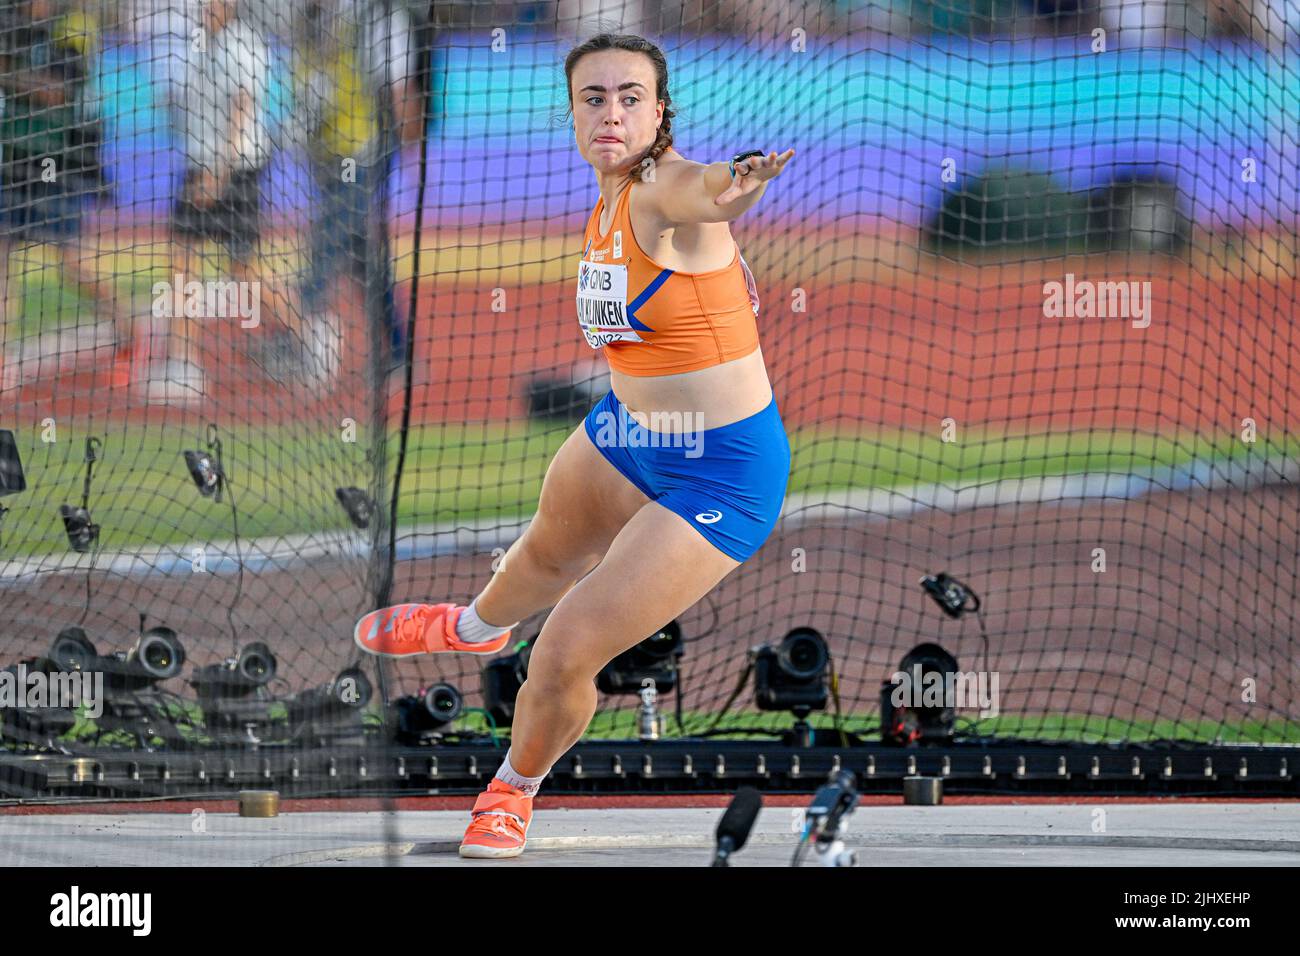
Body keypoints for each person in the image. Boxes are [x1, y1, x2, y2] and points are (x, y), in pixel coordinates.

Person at [353, 32, 795, 860]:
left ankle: (512, 789)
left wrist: (736, 184)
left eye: (632, 96)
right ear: (572, 111)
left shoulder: (663, 188)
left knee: (563, 649)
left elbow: (704, 193)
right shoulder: (607, 200)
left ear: (660, 112)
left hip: (723, 467)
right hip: (628, 432)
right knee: (542, 555)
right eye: (594, 97)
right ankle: (479, 626)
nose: (612, 112)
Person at [0, 0, 127, 385]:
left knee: (72, 264)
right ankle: (3, 358)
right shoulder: (11, 21)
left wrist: (9, 76)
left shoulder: (73, 26)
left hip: (54, 163)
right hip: (11, 160)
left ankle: (128, 327)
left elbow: (58, 92)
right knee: (3, 259)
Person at [292, 0, 420, 371]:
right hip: (329, 159)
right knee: (367, 259)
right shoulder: (316, 27)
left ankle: (310, 347)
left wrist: (408, 152)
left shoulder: (380, 22)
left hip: (360, 157)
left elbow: (399, 91)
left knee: (325, 247)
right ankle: (398, 352)